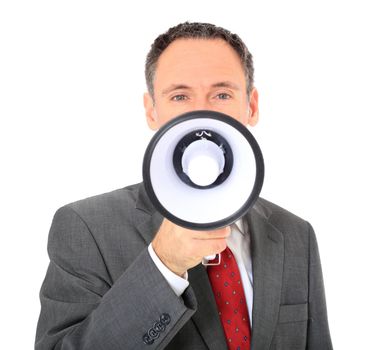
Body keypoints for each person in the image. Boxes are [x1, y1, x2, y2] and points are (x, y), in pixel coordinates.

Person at [35, 22, 333, 350]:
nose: (201, 112)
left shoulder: (295, 234)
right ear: (152, 111)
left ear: (252, 105)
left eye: (222, 94)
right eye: (179, 96)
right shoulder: (87, 228)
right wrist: (163, 264)